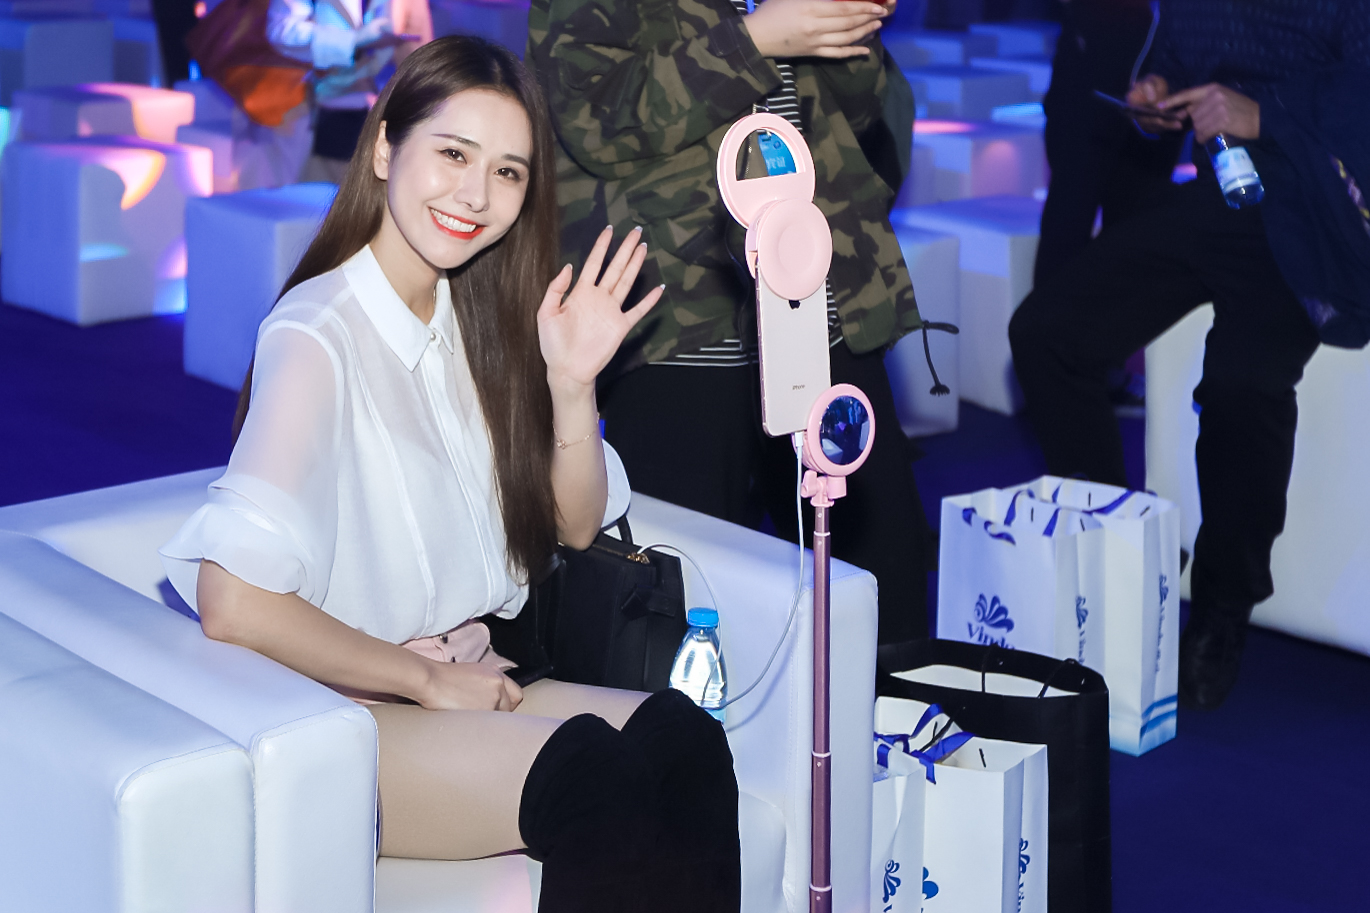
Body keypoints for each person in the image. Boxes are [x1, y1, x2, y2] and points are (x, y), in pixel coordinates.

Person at [160, 37, 741, 912]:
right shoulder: (317, 335)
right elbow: (231, 598)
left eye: (508, 172)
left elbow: (574, 525)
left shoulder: (480, 319)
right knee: (593, 775)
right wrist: (424, 678)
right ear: (384, 149)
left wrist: (571, 385)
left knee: (685, 739)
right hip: (344, 713)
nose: (476, 195)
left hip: (473, 673)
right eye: (454, 154)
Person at [528, 0, 935, 649]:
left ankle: (887, 714)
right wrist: (757, 37)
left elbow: (859, 115)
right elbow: (594, 117)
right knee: (679, 607)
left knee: (884, 590)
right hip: (680, 320)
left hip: (820, 299)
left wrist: (848, 28)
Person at [1009, 0, 1370, 710]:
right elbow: (1175, 59)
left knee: (1242, 383)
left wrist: (1264, 113)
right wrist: (1156, 98)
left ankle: (1223, 605)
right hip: (1223, 195)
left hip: (1318, 214)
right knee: (1045, 332)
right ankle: (1123, 550)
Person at [1035, 0, 1183, 288]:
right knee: (1065, 236)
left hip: (1162, 95)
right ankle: (1049, 316)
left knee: (1136, 238)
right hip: (1088, 91)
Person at [268, 0, 434, 183]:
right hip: (326, 106)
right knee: (327, 191)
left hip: (387, 113)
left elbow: (417, 51)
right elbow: (280, 29)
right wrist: (354, 41)